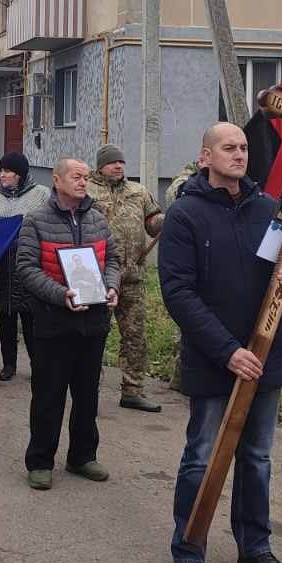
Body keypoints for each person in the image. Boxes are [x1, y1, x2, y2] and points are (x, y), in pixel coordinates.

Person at [159, 122, 282, 563]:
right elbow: (178, 293)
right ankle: (189, 554)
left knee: (257, 457)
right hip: (215, 359)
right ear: (206, 157)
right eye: (229, 147)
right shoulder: (184, 215)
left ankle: (255, 548)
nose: (240, 154)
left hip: (265, 356)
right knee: (202, 457)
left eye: (244, 147)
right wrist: (227, 350)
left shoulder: (270, 210)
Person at [15, 158, 120, 491]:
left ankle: (82, 456)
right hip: (53, 322)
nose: (83, 182)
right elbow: (26, 268)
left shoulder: (98, 219)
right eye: (76, 176)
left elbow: (113, 259)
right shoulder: (35, 221)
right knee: (48, 395)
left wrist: (112, 286)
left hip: (93, 323)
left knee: (87, 395)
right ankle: (40, 461)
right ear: (57, 181)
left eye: (86, 177)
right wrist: (61, 295)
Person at [87, 144, 165, 412]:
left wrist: (165, 219)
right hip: (96, 278)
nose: (118, 166)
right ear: (100, 166)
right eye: (112, 162)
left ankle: (133, 390)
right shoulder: (87, 190)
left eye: (121, 162)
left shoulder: (138, 191)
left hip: (132, 277)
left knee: (135, 337)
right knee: (94, 336)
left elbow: (152, 223)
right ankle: (88, 391)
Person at [0, 152, 50, 381]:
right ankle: (9, 364)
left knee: (31, 320)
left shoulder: (41, 194)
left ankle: (39, 366)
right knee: (5, 318)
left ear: (20, 174)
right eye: (1, 170)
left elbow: (50, 225)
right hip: (2, 269)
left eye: (7, 171)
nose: (2, 175)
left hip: (30, 266)